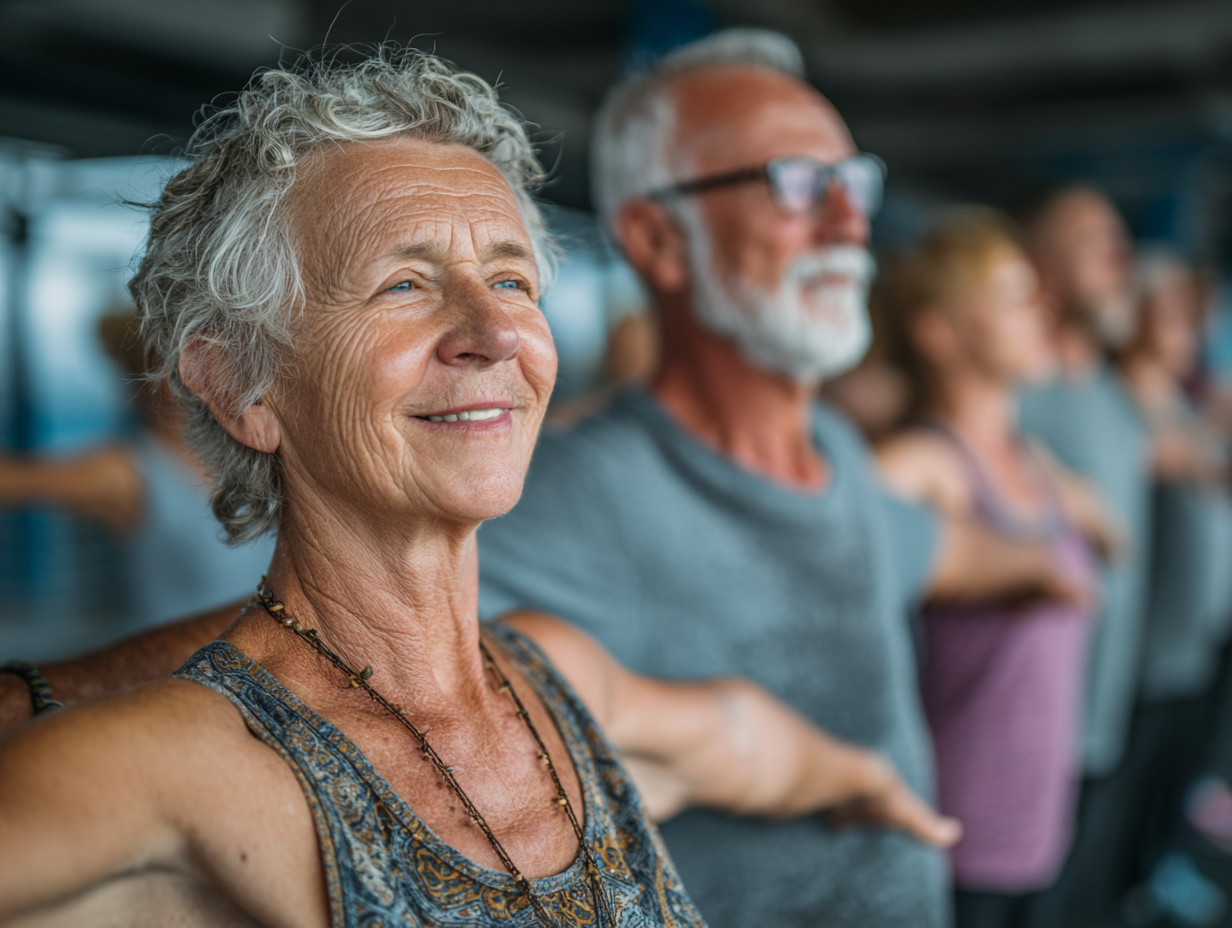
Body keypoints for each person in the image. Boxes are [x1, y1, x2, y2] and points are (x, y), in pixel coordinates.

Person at [0, 50, 958, 925]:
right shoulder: (178, 764)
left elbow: (743, 741)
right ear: (242, 386)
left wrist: (871, 778)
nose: (493, 333)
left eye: (509, 281)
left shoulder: (554, 671)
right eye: (403, 286)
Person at [477, 31, 1086, 928]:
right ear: (657, 240)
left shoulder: (835, 456)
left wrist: (1052, 561)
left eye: (853, 184)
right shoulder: (575, 496)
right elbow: (330, 695)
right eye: (796, 185)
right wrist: (729, 739)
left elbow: (938, 547)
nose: (848, 224)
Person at [874, 208, 1111, 928]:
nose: (1039, 307)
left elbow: (1113, 531)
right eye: (1011, 292)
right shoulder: (924, 464)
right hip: (952, 835)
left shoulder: (1038, 466)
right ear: (939, 333)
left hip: (1040, 818)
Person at [1015, 187, 1152, 925]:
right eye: (1093, 239)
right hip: (1027, 741)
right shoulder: (1012, 394)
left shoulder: (1114, 395)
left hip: (1107, 714)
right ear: (1042, 268)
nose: (1119, 255)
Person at [0, 312, 275, 639]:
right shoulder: (130, 471)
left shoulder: (250, 457)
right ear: (151, 374)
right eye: (183, 362)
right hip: (166, 678)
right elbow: (14, 480)